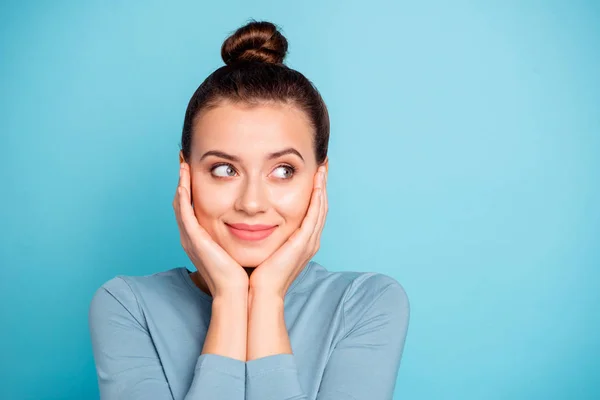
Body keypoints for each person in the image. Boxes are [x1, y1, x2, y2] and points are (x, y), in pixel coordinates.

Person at [89, 20, 410, 400]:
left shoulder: (367, 303)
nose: (252, 203)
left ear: (318, 178)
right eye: (224, 169)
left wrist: (268, 297)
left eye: (283, 171)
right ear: (186, 175)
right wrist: (229, 298)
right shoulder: (126, 307)